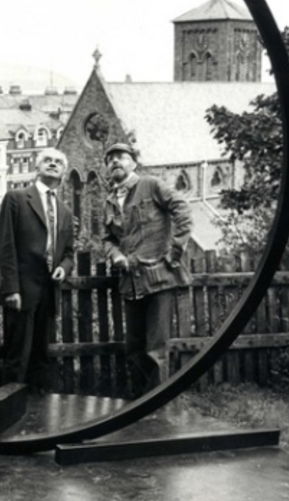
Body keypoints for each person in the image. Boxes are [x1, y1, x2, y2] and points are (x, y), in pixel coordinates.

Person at [101, 142, 193, 396]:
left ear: (133, 163)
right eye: (110, 159)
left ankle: (157, 407)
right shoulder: (109, 201)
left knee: (155, 350)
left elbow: (183, 211)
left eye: (121, 157)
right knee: (134, 349)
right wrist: (116, 255)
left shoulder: (151, 185)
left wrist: (175, 252)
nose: (115, 161)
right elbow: (107, 239)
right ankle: (139, 403)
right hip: (130, 283)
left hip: (158, 279)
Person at [0, 148, 75, 393]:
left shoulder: (65, 211)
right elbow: (5, 245)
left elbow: (69, 252)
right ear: (37, 168)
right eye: (47, 160)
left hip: (48, 292)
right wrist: (12, 289)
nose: (53, 164)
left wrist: (63, 268)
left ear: (63, 171)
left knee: (41, 356)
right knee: (17, 354)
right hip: (21, 291)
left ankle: (39, 409)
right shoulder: (16, 198)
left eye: (58, 162)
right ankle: (8, 407)